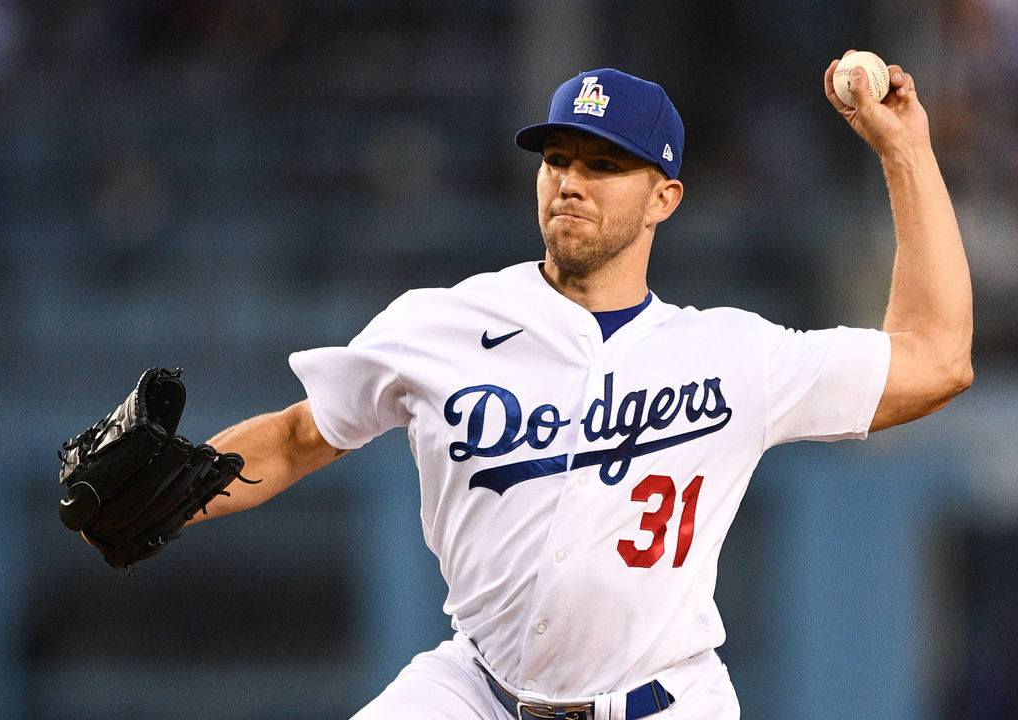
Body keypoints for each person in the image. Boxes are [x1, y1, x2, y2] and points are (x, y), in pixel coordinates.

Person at [193, 55, 973, 719]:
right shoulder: (440, 324)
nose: (571, 182)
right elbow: (300, 437)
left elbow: (936, 359)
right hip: (474, 691)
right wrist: (176, 492)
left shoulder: (733, 355)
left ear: (664, 197)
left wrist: (905, 153)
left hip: (666, 700)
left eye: (604, 165)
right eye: (558, 159)